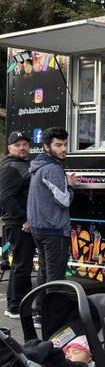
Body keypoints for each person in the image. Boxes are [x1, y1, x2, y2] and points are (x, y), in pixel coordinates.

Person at [27, 127, 75, 322]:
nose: (63, 149)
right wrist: (70, 184)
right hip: (53, 231)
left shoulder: (37, 166)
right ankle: (51, 319)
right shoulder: (53, 169)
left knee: (45, 273)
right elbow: (64, 200)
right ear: (46, 147)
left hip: (39, 229)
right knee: (55, 277)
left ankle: (40, 312)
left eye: (65, 144)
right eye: (58, 145)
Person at [0, 131, 34, 319]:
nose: (22, 147)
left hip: (21, 223)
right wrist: (23, 220)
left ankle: (14, 306)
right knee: (22, 266)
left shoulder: (22, 164)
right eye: (18, 144)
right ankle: (16, 307)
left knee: (21, 265)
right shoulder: (10, 167)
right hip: (18, 224)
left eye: (25, 144)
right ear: (10, 148)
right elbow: (5, 198)